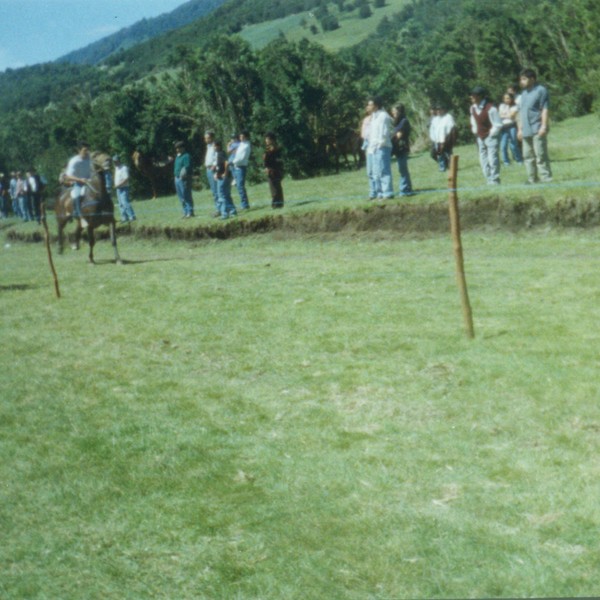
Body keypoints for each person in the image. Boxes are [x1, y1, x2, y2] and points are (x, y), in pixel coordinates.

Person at [517, 68, 552, 184]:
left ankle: (546, 178)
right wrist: (520, 129)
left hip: (537, 127)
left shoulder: (541, 90)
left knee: (540, 155)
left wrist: (543, 126)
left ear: (532, 79)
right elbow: (521, 112)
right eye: (520, 79)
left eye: (524, 79)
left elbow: (545, 109)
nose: (521, 81)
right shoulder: (523, 93)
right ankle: (532, 179)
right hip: (526, 129)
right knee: (527, 156)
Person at [469, 86, 502, 185]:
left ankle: (495, 179)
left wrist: (491, 134)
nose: (471, 97)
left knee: (492, 159)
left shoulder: (491, 108)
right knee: (483, 159)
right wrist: (475, 131)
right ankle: (488, 179)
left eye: (473, 95)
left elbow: (498, 124)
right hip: (480, 137)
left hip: (491, 136)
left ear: (480, 96)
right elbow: (473, 120)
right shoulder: (472, 108)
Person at [366, 96, 394, 200]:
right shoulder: (373, 116)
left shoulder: (383, 116)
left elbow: (384, 133)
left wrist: (379, 145)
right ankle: (379, 193)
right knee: (375, 172)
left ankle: (387, 192)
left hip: (382, 146)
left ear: (376, 106)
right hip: (373, 148)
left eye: (370, 104)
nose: (368, 106)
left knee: (383, 170)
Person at [390, 104, 413, 197]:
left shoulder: (404, 122)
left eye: (395, 112)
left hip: (402, 147)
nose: (393, 113)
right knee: (402, 169)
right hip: (397, 148)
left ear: (400, 112)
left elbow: (398, 136)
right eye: (393, 112)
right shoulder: (397, 122)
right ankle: (405, 188)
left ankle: (405, 189)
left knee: (402, 169)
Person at [65, 141, 92, 218]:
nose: (87, 152)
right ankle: (76, 212)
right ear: (79, 150)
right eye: (85, 150)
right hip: (79, 183)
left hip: (90, 182)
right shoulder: (74, 161)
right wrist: (80, 179)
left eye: (88, 150)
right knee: (77, 194)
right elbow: (68, 176)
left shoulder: (90, 159)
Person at [429, 104, 457, 172]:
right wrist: (434, 139)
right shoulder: (435, 119)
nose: (438, 111)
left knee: (448, 154)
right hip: (437, 140)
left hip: (446, 139)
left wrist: (448, 138)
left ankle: (452, 167)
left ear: (443, 110)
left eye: (440, 109)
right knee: (439, 154)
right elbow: (432, 130)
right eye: (437, 110)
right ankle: (442, 167)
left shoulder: (448, 117)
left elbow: (451, 128)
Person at [213, 140, 237, 219]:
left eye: (214, 146)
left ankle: (224, 213)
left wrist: (225, 173)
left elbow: (226, 163)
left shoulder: (221, 154)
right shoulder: (219, 154)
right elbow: (220, 166)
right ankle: (232, 211)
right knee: (226, 194)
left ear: (218, 146)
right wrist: (217, 173)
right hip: (221, 176)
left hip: (223, 177)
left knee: (222, 195)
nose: (213, 148)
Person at [498, 93, 523, 166]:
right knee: (503, 146)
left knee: (513, 145)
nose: (507, 100)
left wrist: (504, 115)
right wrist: (506, 115)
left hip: (512, 126)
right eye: (505, 98)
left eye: (508, 98)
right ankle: (506, 161)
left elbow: (512, 116)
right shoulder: (501, 106)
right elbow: (499, 115)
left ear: (511, 99)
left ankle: (519, 159)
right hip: (503, 127)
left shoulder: (515, 106)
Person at [263, 132, 284, 209]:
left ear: (272, 140)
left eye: (268, 139)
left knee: (275, 188)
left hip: (274, 170)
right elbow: (265, 161)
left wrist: (269, 168)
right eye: (266, 139)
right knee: (275, 187)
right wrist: (266, 167)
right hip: (271, 170)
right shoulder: (268, 149)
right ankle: (278, 203)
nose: (266, 141)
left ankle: (276, 204)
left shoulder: (275, 149)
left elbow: (277, 160)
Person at [173, 140, 194, 218]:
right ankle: (185, 212)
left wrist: (183, 175)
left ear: (183, 148)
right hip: (177, 178)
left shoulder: (186, 156)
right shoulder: (177, 157)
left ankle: (190, 212)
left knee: (186, 195)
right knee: (181, 196)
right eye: (176, 148)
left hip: (184, 178)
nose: (177, 150)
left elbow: (187, 167)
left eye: (179, 148)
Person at [231, 130, 251, 210]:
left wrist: (233, 161)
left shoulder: (246, 146)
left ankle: (245, 204)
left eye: (242, 136)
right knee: (238, 185)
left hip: (241, 167)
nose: (241, 138)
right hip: (236, 166)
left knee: (240, 186)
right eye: (240, 136)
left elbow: (241, 158)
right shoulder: (241, 144)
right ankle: (243, 203)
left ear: (246, 137)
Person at [113, 155, 136, 223]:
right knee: (120, 204)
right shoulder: (116, 168)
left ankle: (132, 216)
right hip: (118, 189)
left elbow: (126, 178)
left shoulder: (124, 168)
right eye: (114, 161)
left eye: (116, 161)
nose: (115, 163)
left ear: (119, 160)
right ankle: (124, 217)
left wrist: (118, 185)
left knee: (125, 202)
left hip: (124, 188)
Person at [360, 109, 376, 200]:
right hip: (368, 146)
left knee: (376, 170)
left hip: (376, 146)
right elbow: (363, 134)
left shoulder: (378, 119)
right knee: (369, 171)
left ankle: (378, 191)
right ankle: (372, 192)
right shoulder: (366, 120)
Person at [203, 131, 219, 217]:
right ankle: (218, 208)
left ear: (212, 138)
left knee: (216, 190)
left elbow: (217, 157)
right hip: (208, 169)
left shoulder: (214, 146)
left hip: (213, 169)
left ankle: (219, 209)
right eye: (205, 138)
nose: (206, 139)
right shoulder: (208, 147)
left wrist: (214, 165)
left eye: (207, 138)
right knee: (213, 190)